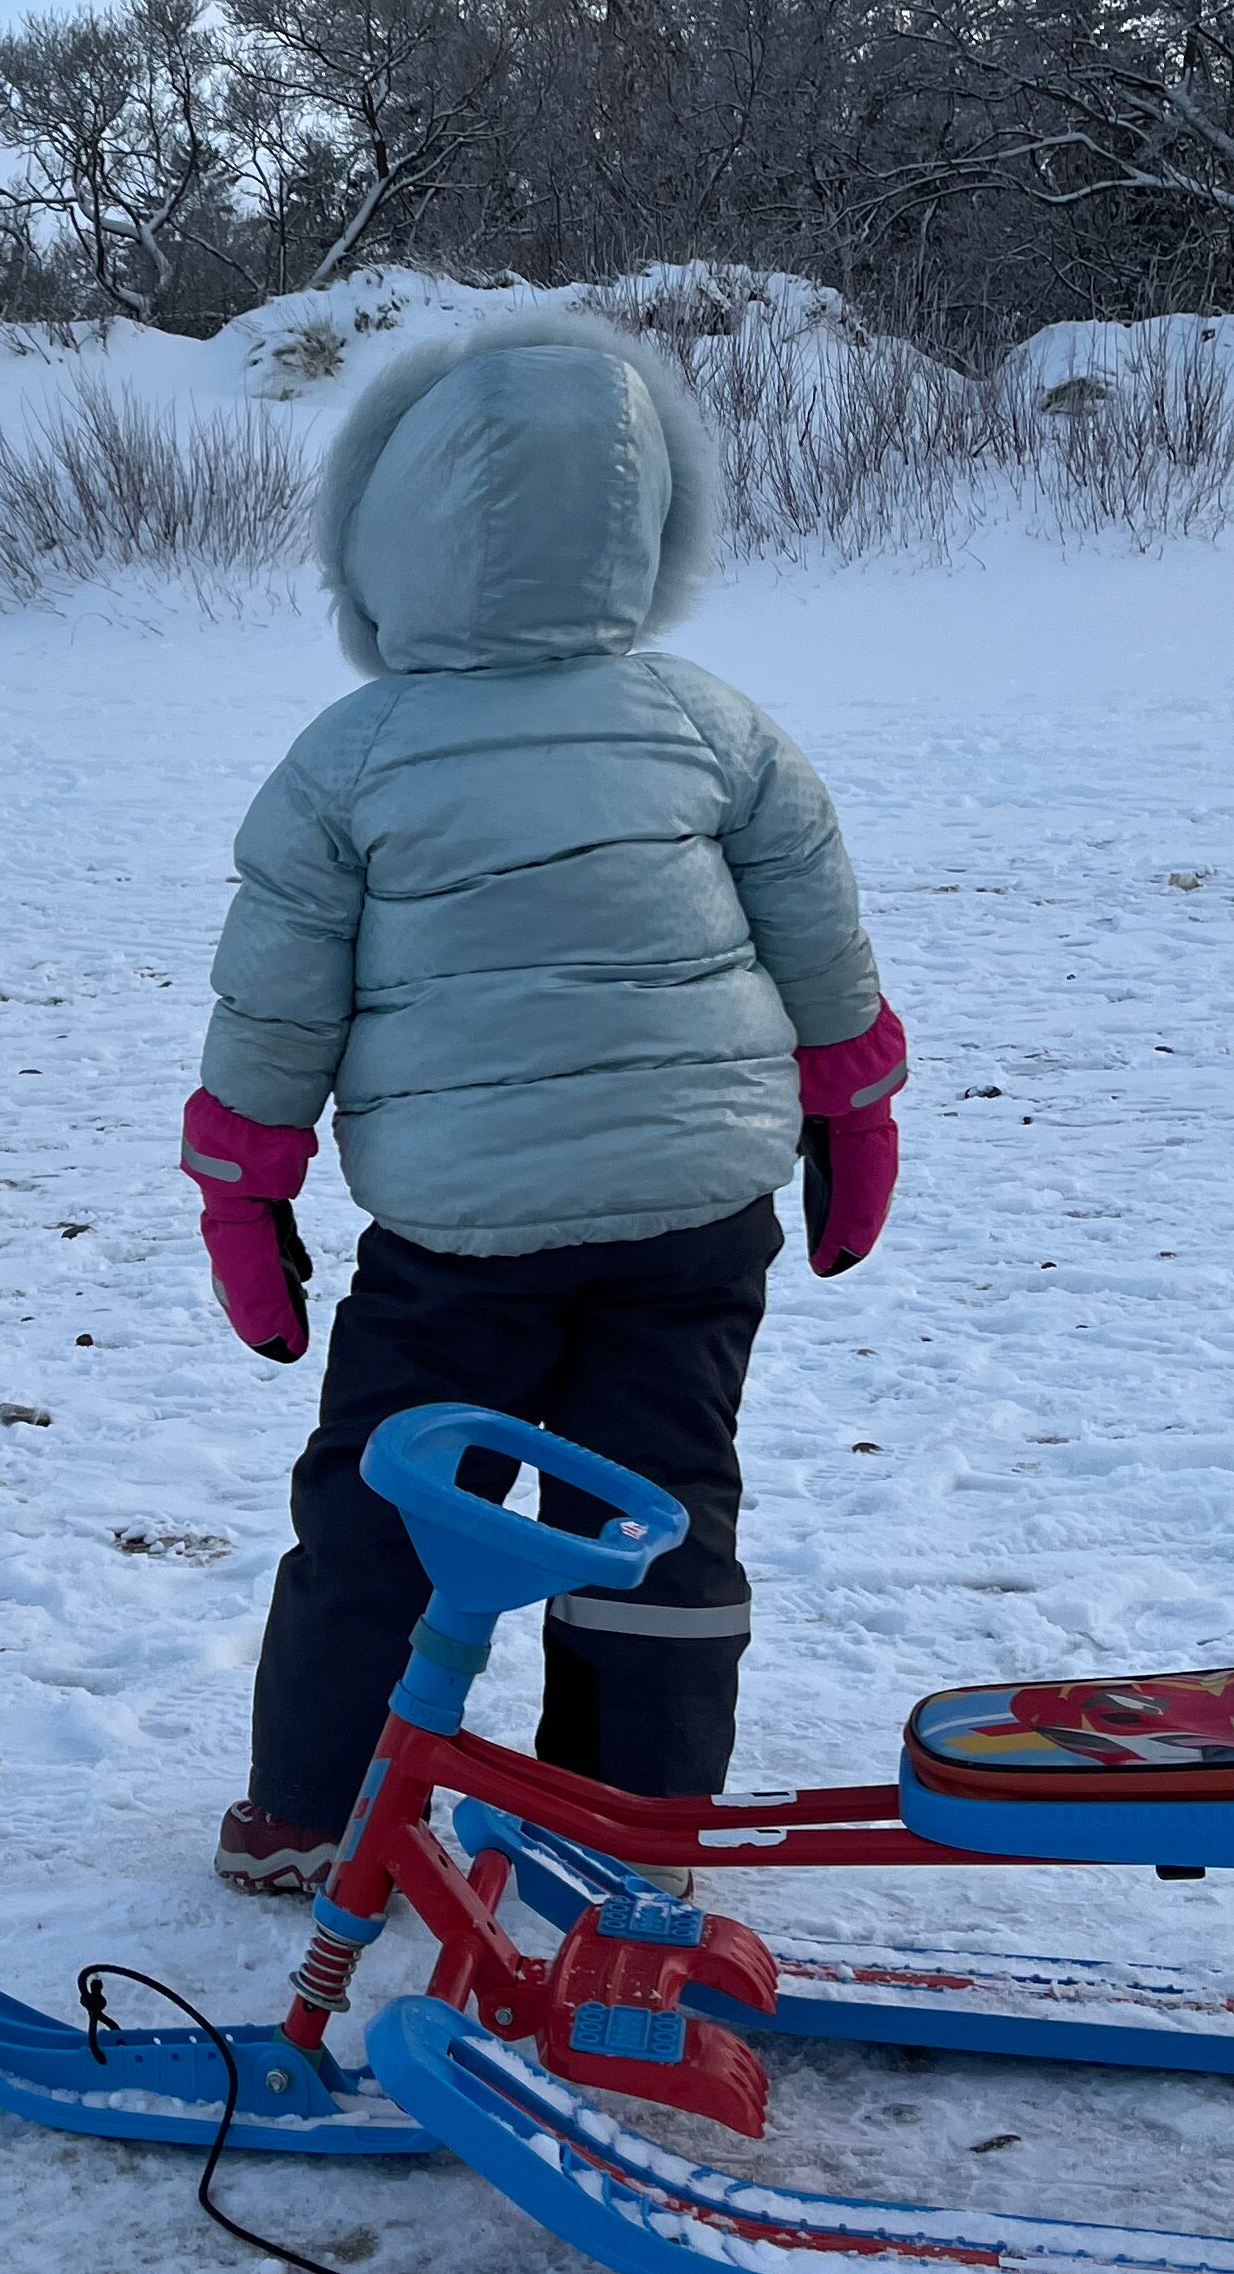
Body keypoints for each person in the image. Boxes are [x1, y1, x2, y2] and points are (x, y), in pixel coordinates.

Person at [183, 313, 905, 1894]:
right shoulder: (712, 725)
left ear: (382, 541)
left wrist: (246, 1188)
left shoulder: (350, 760)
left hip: (460, 1236)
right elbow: (817, 933)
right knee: (654, 1508)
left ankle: (315, 1809)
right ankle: (624, 1826)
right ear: (642, 536)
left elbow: (277, 997)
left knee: (385, 1512)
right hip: (690, 1218)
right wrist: (855, 1106)